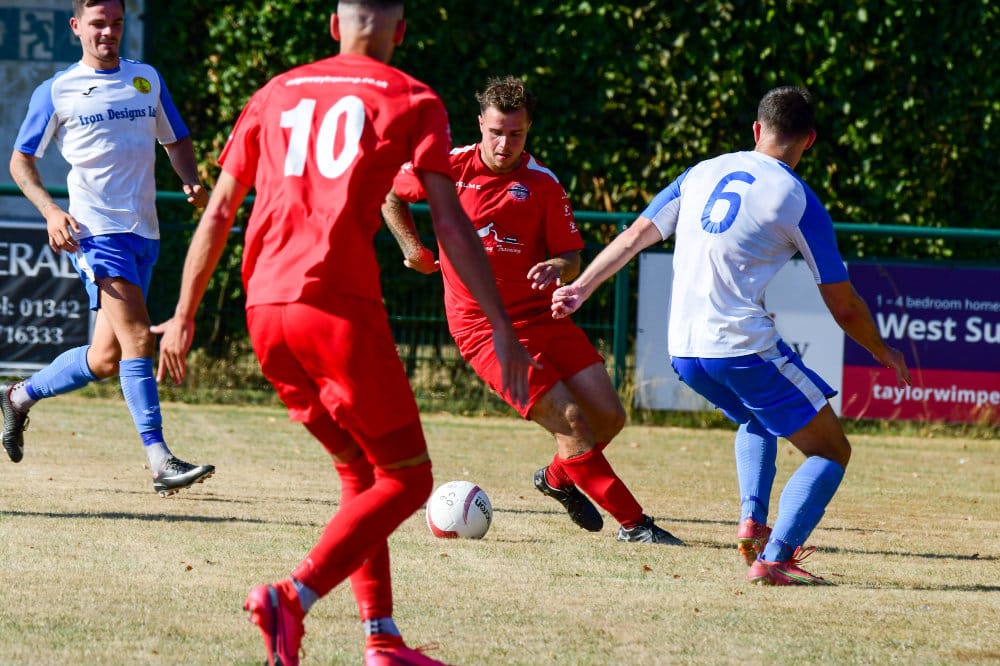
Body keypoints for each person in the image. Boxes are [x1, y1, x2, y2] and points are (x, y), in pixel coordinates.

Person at [152, 3, 533, 665]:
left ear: (334, 26)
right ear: (401, 31)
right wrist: (501, 323)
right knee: (409, 480)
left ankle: (380, 639)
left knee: (361, 470)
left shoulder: (276, 92)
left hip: (264, 308)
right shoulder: (413, 98)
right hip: (335, 307)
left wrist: (184, 312)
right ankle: (291, 596)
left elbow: (218, 211)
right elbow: (449, 221)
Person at [551, 86, 912, 585]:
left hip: (684, 352)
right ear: (809, 140)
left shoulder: (701, 172)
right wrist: (882, 350)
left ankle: (752, 522)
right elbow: (844, 305)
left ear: (757, 129)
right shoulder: (797, 198)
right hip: (741, 348)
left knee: (756, 417)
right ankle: (776, 558)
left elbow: (634, 236)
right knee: (831, 451)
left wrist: (581, 288)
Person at [382, 75, 684, 546]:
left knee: (608, 418)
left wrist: (557, 267)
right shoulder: (446, 167)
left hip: (542, 319)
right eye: (496, 132)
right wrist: (413, 249)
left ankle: (557, 478)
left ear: (528, 130)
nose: (504, 145)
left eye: (516, 134)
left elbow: (571, 256)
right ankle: (635, 525)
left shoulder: (542, 184)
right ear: (480, 125)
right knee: (571, 420)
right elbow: (391, 194)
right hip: (484, 329)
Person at [3, 0, 214, 497]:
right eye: (98, 23)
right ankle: (160, 461)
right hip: (96, 232)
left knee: (104, 359)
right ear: (76, 27)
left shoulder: (146, 79)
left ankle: (18, 396)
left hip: (144, 231)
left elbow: (176, 140)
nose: (108, 32)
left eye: (116, 23)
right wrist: (51, 212)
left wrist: (190, 180)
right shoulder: (57, 90)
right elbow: (20, 162)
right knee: (139, 338)